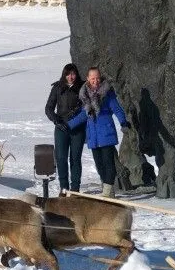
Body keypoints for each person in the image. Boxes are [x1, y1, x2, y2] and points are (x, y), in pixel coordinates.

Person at [67, 67, 130, 198]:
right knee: (99, 164)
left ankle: (108, 190)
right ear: (88, 78)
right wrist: (68, 126)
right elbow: (84, 115)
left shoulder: (107, 94)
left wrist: (123, 122)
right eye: (93, 78)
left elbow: (117, 109)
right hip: (93, 135)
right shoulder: (85, 95)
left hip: (106, 131)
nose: (95, 80)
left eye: (97, 78)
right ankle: (107, 188)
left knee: (108, 163)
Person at [45, 63, 86, 192]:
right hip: (61, 128)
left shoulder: (83, 87)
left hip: (77, 128)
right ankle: (64, 188)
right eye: (68, 74)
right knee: (61, 158)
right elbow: (49, 108)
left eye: (73, 74)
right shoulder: (57, 88)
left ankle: (75, 190)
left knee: (75, 158)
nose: (70, 77)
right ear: (64, 74)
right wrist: (56, 120)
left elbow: (87, 107)